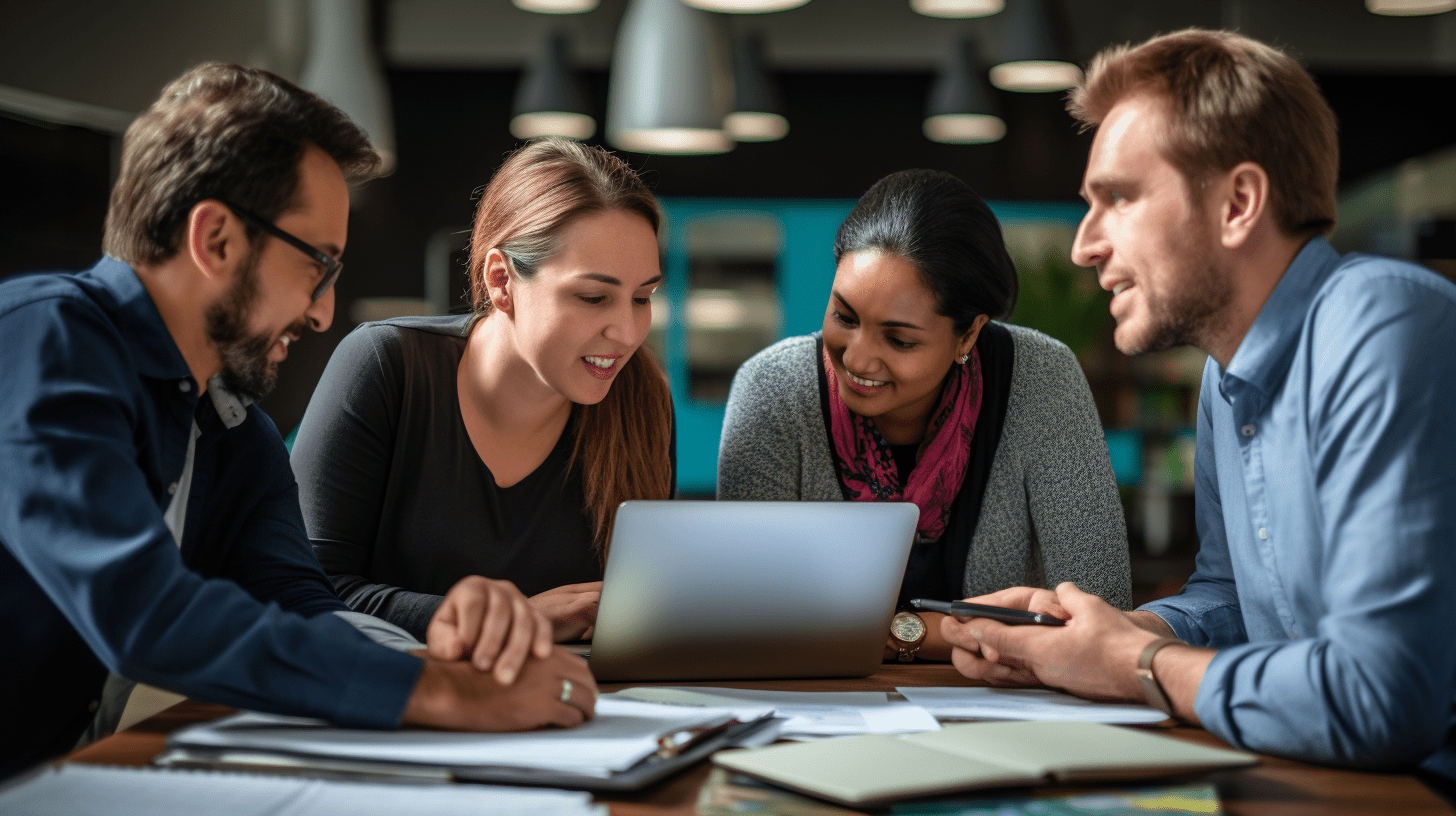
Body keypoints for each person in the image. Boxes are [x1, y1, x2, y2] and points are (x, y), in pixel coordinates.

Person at [0, 64, 595, 780]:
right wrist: (439, 691)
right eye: (319, 264)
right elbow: (143, 614)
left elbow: (305, 606)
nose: (320, 312)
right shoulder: (45, 338)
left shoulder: (231, 433)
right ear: (216, 238)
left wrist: (442, 652)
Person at [942, 28, 1456, 782]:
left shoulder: (1381, 326)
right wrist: (1101, 633)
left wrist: (1133, 663)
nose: (1086, 244)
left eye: (1118, 197)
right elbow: (1237, 601)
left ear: (1238, 203)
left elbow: (1380, 699)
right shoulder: (1228, 374)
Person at [717, 169, 1131, 663]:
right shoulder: (772, 390)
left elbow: (1103, 616)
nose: (857, 359)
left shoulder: (1042, 380)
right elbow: (747, 621)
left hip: (1002, 719)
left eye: (900, 339)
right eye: (844, 317)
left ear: (969, 334)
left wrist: (871, 632)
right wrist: (936, 633)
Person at [290, 137, 675, 643]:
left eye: (643, 298)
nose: (626, 333)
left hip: (577, 710)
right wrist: (513, 622)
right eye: (593, 297)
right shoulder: (386, 368)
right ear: (501, 280)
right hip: (399, 706)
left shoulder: (642, 398)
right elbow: (304, 591)